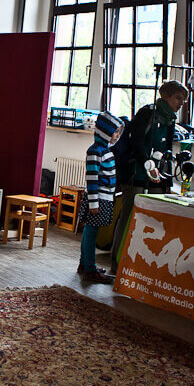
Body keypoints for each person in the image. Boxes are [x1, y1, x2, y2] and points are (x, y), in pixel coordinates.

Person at [109, 80, 189, 274]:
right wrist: (147, 163)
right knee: (128, 217)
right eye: (178, 98)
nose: (181, 103)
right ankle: (117, 264)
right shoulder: (147, 113)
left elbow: (167, 148)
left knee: (152, 221)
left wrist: (166, 176)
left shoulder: (170, 120)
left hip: (157, 176)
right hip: (136, 174)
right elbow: (136, 143)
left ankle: (141, 265)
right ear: (165, 95)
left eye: (184, 100)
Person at [77, 112, 123, 284]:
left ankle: (84, 264)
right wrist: (94, 203)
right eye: (115, 132)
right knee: (91, 233)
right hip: (98, 200)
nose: (117, 135)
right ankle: (90, 269)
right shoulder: (95, 151)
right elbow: (92, 179)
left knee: (90, 232)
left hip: (104, 199)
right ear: (105, 132)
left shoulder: (105, 150)